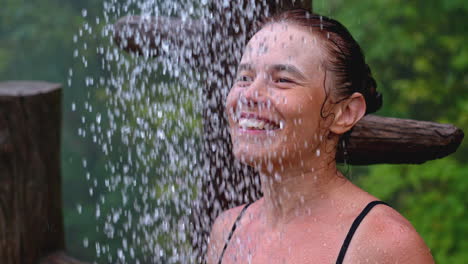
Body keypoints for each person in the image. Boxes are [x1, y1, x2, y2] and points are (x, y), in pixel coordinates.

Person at [206, 8, 434, 264]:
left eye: (282, 80)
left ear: (345, 113)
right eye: (244, 77)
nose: (249, 95)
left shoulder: (384, 244)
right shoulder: (228, 230)